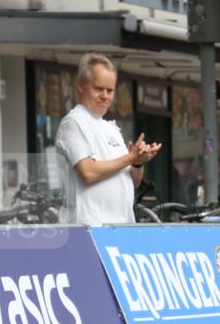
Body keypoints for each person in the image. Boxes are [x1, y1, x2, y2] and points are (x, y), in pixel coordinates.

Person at [55, 53, 160, 225]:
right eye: (98, 89)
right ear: (80, 87)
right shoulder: (74, 122)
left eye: (110, 90)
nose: (105, 96)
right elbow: (88, 172)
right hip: (88, 229)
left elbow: (133, 181)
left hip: (120, 228)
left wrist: (138, 162)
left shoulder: (110, 128)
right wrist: (129, 158)